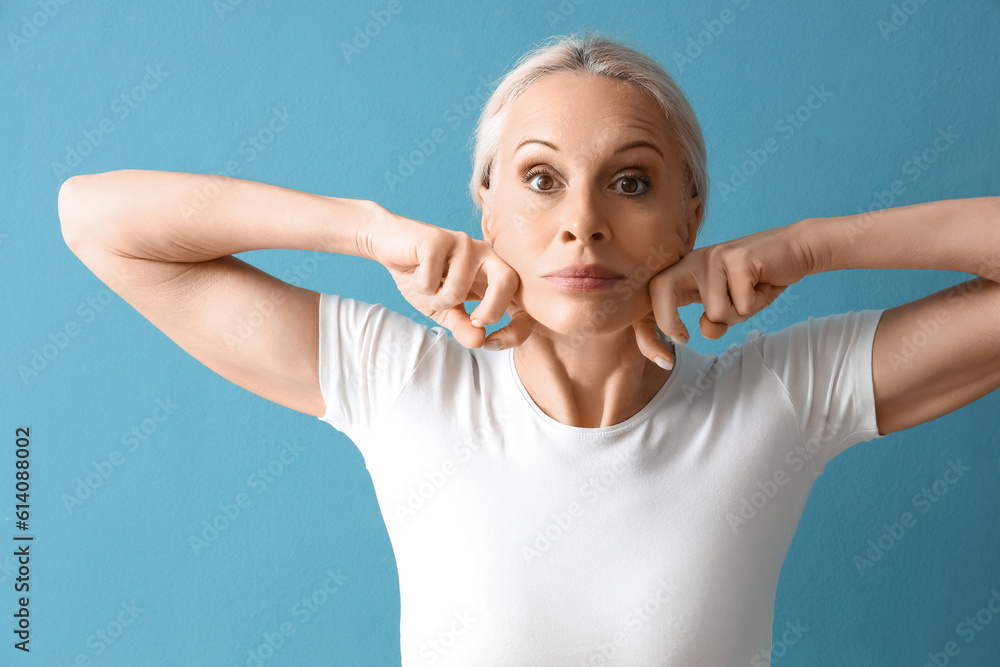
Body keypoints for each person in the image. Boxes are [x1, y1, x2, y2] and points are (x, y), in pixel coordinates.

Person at [58, 30, 1000, 667]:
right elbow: (95, 218)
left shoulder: (783, 399)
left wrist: (811, 247)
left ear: (692, 216)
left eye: (631, 183)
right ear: (487, 211)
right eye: (541, 179)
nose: (581, 226)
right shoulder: (399, 382)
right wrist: (362, 229)